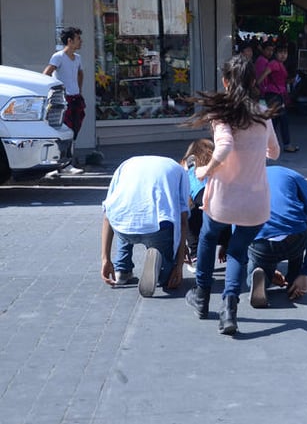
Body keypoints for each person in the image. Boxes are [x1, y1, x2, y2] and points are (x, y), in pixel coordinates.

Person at [183, 54, 281, 336]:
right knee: (238, 250)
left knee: (208, 237)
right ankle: (229, 309)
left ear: (226, 82)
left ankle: (201, 298)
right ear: (253, 81)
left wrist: (206, 170)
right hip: (255, 202)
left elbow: (224, 146)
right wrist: (255, 150)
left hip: (224, 199)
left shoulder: (221, 114)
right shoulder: (262, 111)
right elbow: (274, 152)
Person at [100, 155, 190, 298]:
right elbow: (182, 219)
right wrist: (178, 266)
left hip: (123, 228)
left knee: (125, 216)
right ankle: (159, 262)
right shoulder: (179, 171)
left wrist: (105, 259)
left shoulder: (125, 164)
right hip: (158, 228)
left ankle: (122, 269)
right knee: (166, 279)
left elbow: (108, 212)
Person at [246, 165, 307, 308]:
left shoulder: (246, 178)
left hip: (261, 242)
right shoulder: (294, 176)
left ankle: (262, 275)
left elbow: (237, 224)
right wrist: (306, 273)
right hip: (295, 240)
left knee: (256, 264)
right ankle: (295, 278)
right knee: (298, 224)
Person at [180, 139, 231, 272]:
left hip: (202, 207)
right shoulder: (221, 163)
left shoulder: (189, 164)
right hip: (226, 216)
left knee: (189, 213)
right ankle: (234, 250)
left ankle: (196, 255)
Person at [43, 26, 85, 175]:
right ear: (70, 41)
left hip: (75, 98)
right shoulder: (58, 56)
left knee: (74, 130)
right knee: (63, 131)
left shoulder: (78, 58)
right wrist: (52, 92)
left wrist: (79, 90)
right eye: (78, 38)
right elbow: (46, 74)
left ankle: (66, 163)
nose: (81, 41)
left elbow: (80, 73)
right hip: (63, 100)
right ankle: (61, 165)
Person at [258, 43, 298, 153]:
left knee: (274, 121)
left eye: (285, 53)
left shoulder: (280, 65)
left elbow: (280, 81)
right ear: (276, 54)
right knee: (282, 120)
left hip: (277, 95)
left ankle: (266, 144)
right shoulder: (274, 64)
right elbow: (264, 75)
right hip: (273, 96)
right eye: (281, 53)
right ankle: (286, 144)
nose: (283, 55)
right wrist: (255, 86)